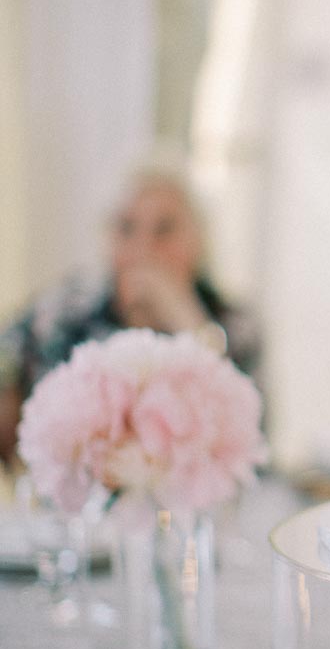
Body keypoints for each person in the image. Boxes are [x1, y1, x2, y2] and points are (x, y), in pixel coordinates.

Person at [0, 158, 260, 464]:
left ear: (198, 240)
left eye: (165, 229)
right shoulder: (63, 311)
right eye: (126, 228)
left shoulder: (235, 325)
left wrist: (189, 323)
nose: (144, 247)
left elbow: (249, 439)